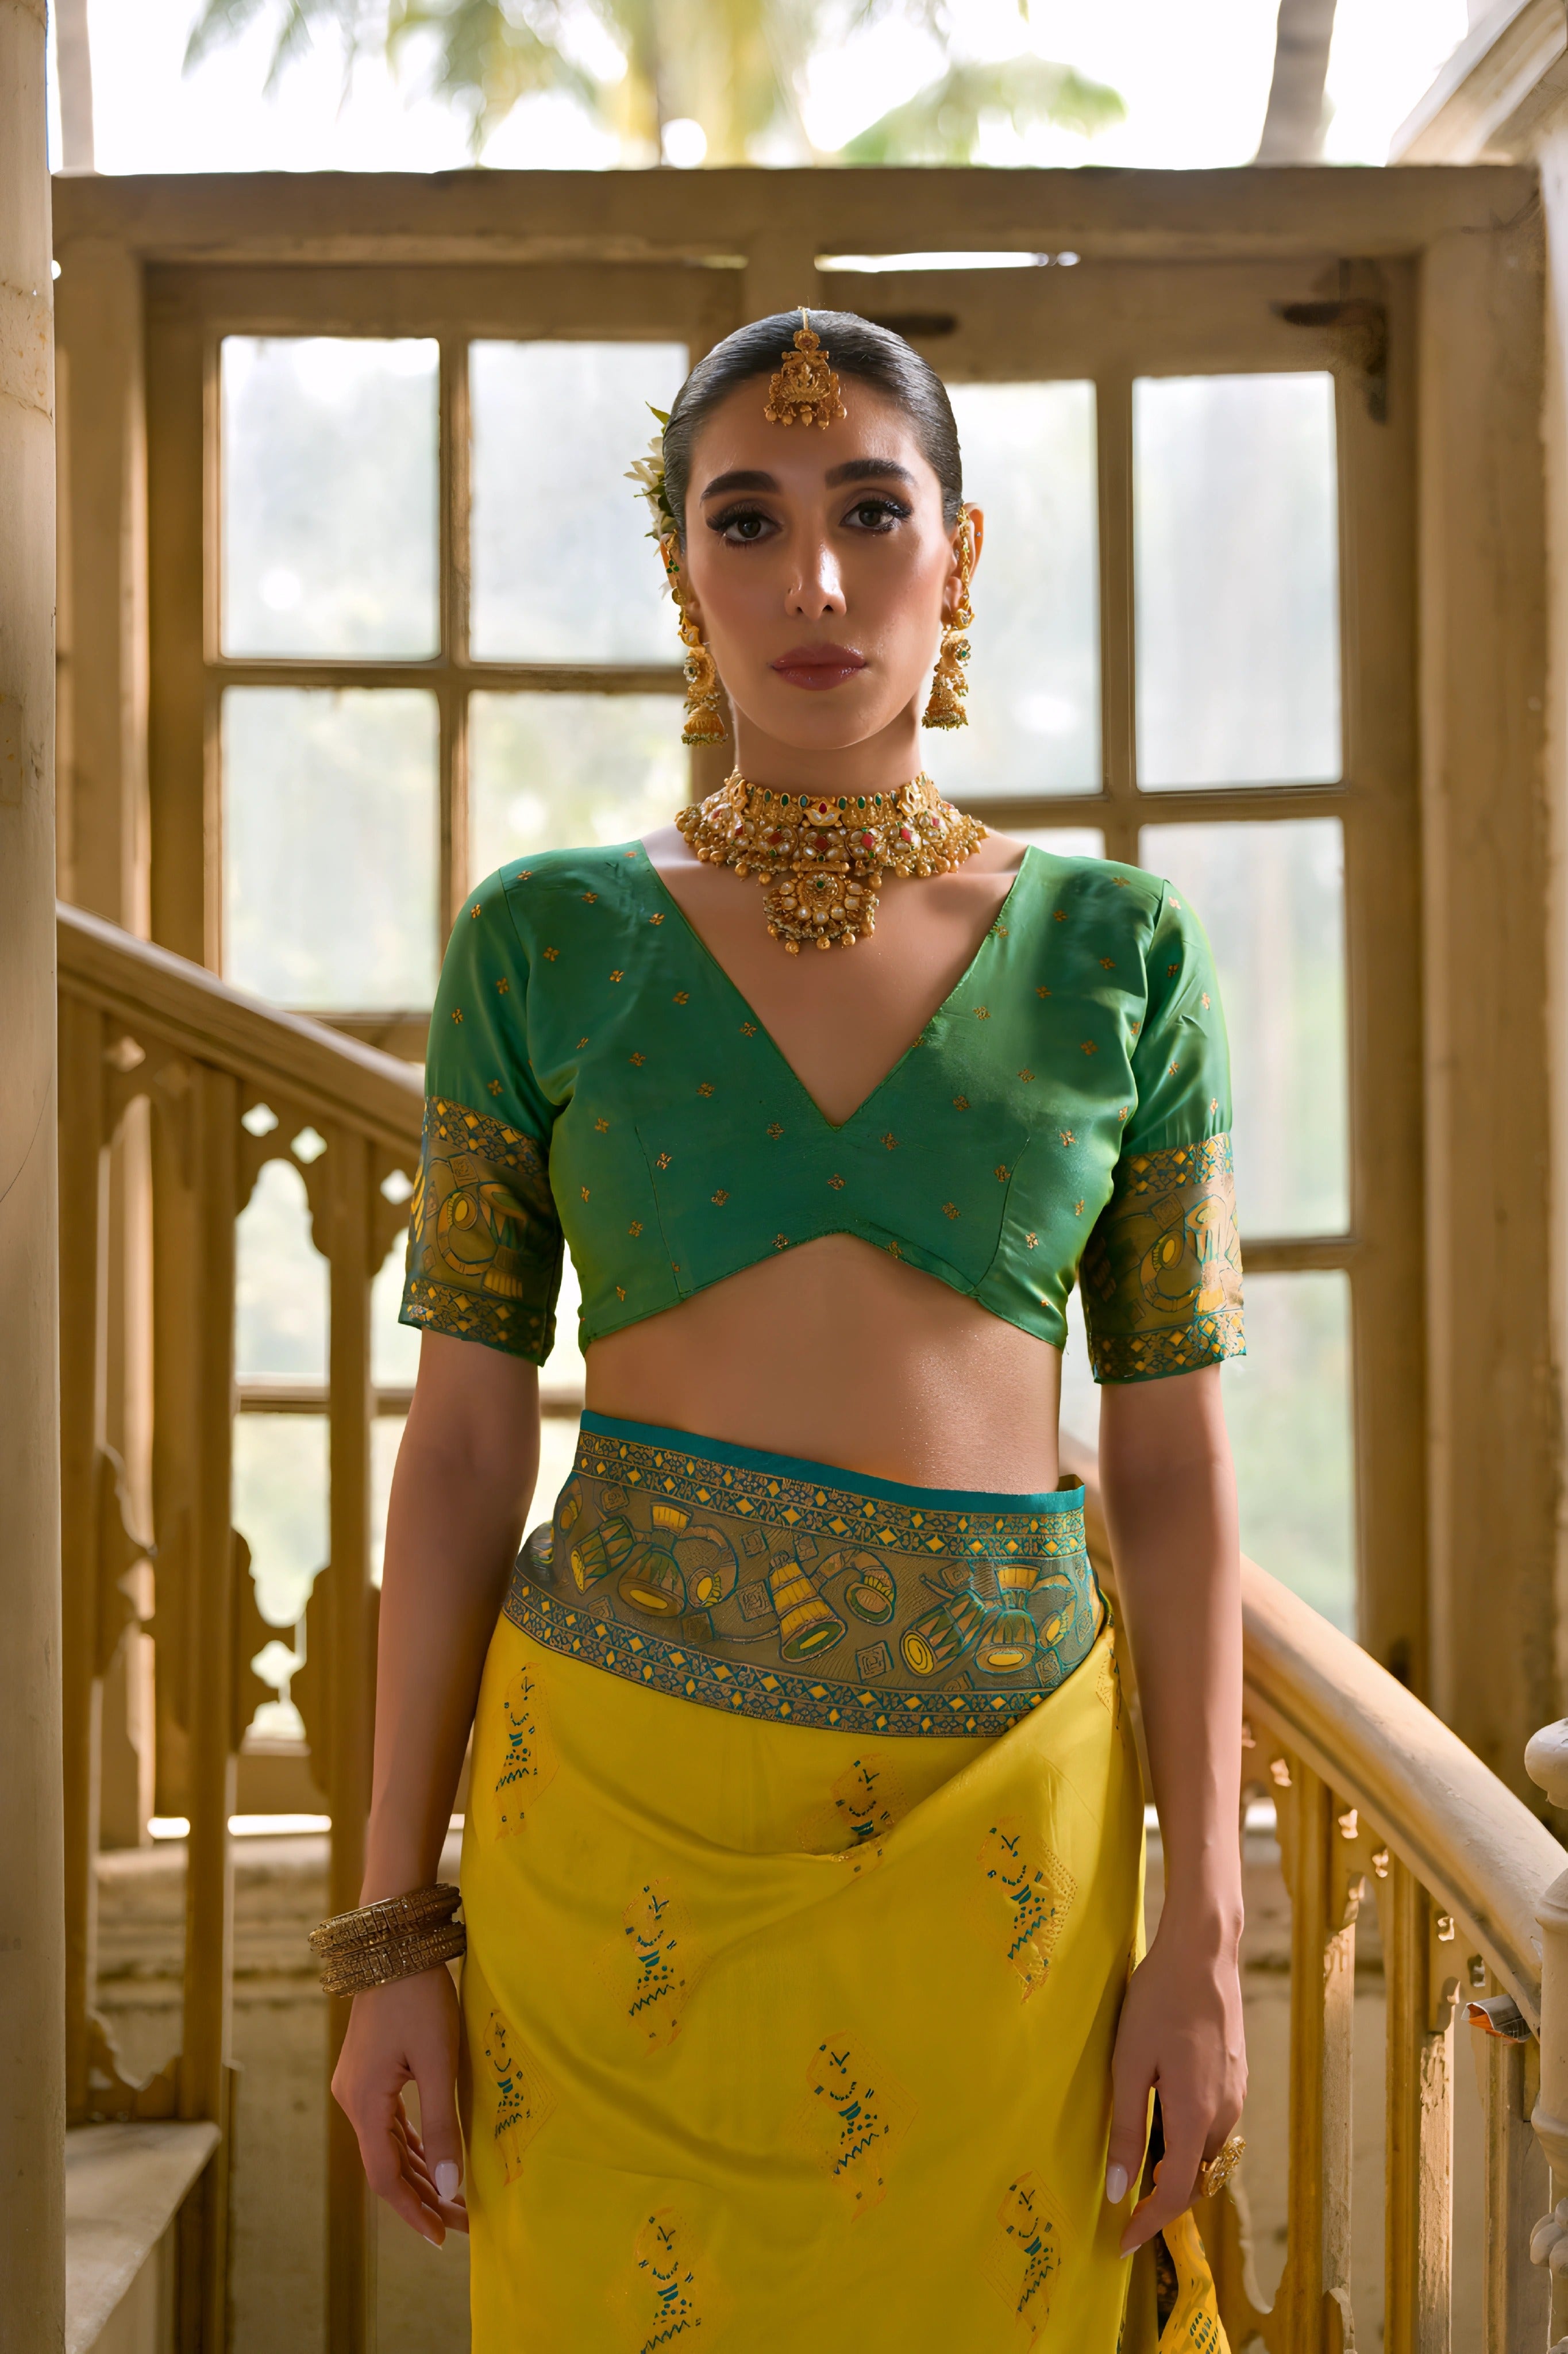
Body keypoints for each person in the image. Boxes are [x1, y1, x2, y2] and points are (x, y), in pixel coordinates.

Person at [322, 309, 1248, 2351]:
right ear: (682, 570)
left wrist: (1203, 1921)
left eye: (867, 512)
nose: (812, 581)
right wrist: (394, 1929)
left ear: (961, 550)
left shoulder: (1120, 955)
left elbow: (1170, 1473)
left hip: (1004, 1843)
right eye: (745, 519)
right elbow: (464, 1449)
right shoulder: (542, 941)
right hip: (616, 1831)